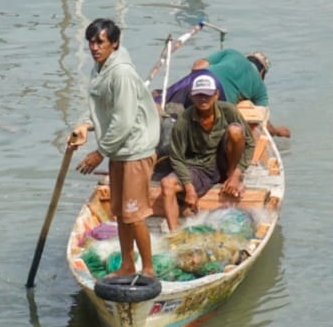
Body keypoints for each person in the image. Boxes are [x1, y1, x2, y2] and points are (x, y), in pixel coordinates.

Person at [68, 19, 161, 282]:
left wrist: (100, 152)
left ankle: (149, 269)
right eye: (91, 41)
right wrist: (87, 126)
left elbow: (123, 120)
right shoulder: (100, 68)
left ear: (114, 43)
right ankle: (128, 266)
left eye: (100, 42)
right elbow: (102, 108)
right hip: (119, 150)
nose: (94, 47)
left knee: (135, 214)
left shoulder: (120, 73)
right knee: (120, 213)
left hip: (135, 150)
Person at [156, 73, 255, 230]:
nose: (203, 99)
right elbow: (176, 157)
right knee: (167, 184)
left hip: (223, 162)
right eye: (199, 95)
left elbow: (250, 143)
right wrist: (189, 188)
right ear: (192, 97)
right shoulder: (184, 120)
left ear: (216, 95)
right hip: (198, 167)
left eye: (207, 95)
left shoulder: (229, 111)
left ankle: (230, 178)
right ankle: (173, 234)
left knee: (235, 131)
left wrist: (236, 174)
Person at [160, 48, 291, 137]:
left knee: (160, 100)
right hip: (219, 95)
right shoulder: (260, 86)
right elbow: (263, 120)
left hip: (200, 77)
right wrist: (277, 131)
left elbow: (197, 66)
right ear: (262, 72)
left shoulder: (232, 53)